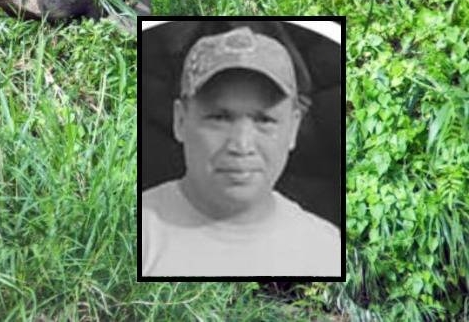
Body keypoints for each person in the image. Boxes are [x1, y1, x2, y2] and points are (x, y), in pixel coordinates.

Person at [140, 26, 341, 278]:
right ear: (180, 120)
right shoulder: (131, 233)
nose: (242, 145)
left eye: (265, 120)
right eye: (219, 118)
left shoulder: (327, 251)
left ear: (294, 128)